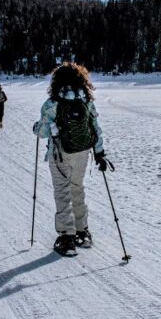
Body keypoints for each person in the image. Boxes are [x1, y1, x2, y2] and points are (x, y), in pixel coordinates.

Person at [33, 62, 110, 257]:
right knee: (77, 187)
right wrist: (99, 152)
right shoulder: (85, 100)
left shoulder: (52, 104)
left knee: (62, 191)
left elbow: (42, 132)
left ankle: (67, 237)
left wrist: (36, 127)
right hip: (82, 153)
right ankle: (82, 232)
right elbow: (95, 127)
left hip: (60, 153)